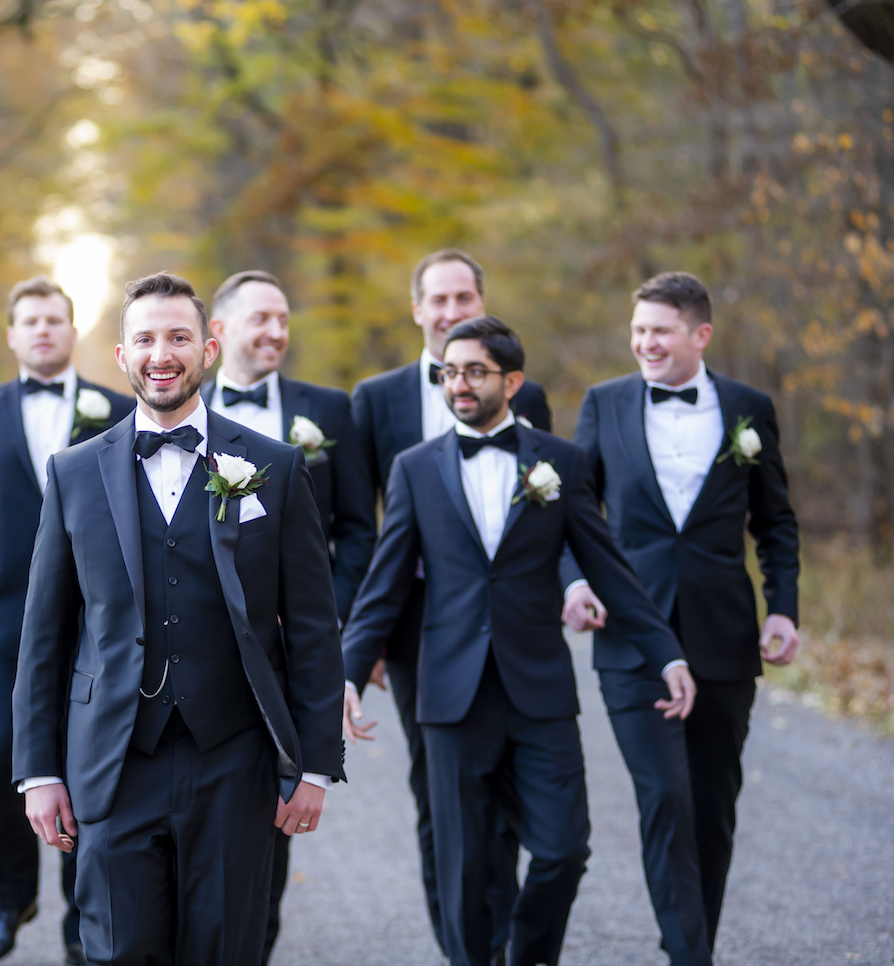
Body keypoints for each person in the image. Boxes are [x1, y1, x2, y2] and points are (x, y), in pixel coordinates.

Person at [13, 272, 346, 965]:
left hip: (234, 755)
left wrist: (316, 765)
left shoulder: (274, 468)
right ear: (122, 356)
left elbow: (312, 626)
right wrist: (38, 771)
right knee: (117, 948)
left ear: (210, 347)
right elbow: (44, 633)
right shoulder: (74, 473)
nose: (161, 354)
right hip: (112, 757)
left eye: (177, 337)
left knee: (226, 947)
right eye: (145, 339)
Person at [342, 316, 697, 966]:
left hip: (540, 690)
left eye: (475, 371)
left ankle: (528, 954)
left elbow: (609, 568)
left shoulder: (557, 463)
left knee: (565, 848)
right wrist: (349, 668)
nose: (460, 385)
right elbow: (386, 582)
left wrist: (666, 652)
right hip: (451, 696)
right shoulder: (414, 469)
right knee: (466, 866)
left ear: (513, 380)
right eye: (450, 372)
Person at [560, 272, 800, 960]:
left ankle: (692, 946)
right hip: (632, 638)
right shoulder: (604, 404)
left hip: (724, 637)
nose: (645, 343)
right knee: (664, 797)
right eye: (637, 331)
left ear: (701, 335)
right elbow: (573, 517)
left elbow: (776, 522)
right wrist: (574, 583)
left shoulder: (749, 408)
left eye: (659, 330)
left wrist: (783, 607)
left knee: (710, 806)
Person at [347, 248, 549, 960]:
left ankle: (500, 930)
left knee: (508, 784)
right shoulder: (375, 400)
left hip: (506, 623)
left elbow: (554, 517)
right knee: (439, 791)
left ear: (481, 302)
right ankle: (465, 946)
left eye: (464, 297)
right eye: (438, 299)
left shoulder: (527, 391)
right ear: (417, 310)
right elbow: (358, 525)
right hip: (415, 628)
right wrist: (361, 637)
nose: (452, 310)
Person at [0, 276, 132, 964]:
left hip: (96, 623)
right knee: (0, 757)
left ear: (73, 328)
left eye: (55, 320)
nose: (44, 331)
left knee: (88, 765)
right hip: (0, 628)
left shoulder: (119, 409)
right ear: (12, 334)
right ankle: (10, 898)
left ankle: (79, 921)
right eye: (30, 321)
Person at [201, 268, 376, 963]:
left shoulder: (327, 411)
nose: (276, 332)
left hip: (288, 649)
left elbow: (359, 528)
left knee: (270, 822)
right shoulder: (182, 413)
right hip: (204, 646)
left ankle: (252, 944)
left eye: (283, 319)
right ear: (219, 333)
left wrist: (320, 621)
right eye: (260, 319)